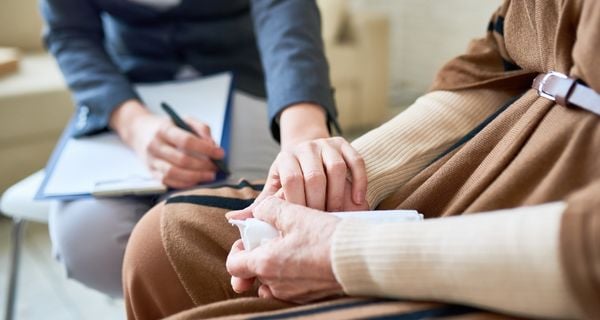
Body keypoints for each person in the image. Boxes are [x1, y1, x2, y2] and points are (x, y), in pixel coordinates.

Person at [123, 0, 600, 319]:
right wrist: (343, 176)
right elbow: (498, 61)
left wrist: (344, 254)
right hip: (490, 154)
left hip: (566, 248)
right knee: (162, 243)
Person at [40, 0, 367, 297]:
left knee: (218, 235)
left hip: (247, 82)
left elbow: (285, 10)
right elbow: (69, 34)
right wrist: (134, 124)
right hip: (126, 96)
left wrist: (302, 128)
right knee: (87, 246)